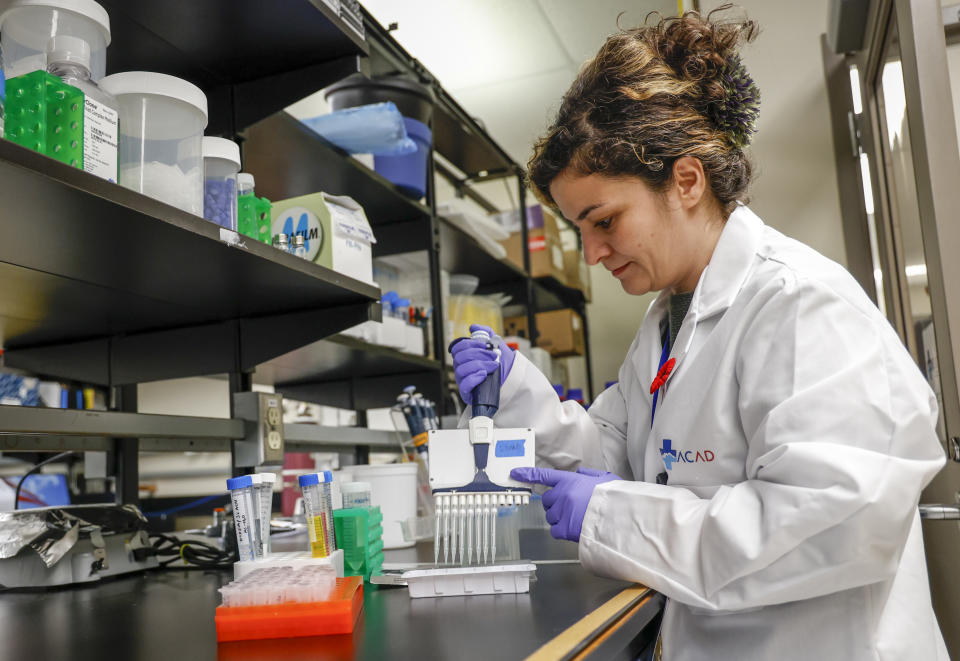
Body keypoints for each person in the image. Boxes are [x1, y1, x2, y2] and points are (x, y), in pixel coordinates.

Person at [449, 9, 949, 661]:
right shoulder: (666, 320)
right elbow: (615, 450)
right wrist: (519, 393)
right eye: (579, 231)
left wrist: (611, 515)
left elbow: (835, 525)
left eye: (604, 220)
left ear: (686, 180)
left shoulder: (798, 304)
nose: (593, 253)